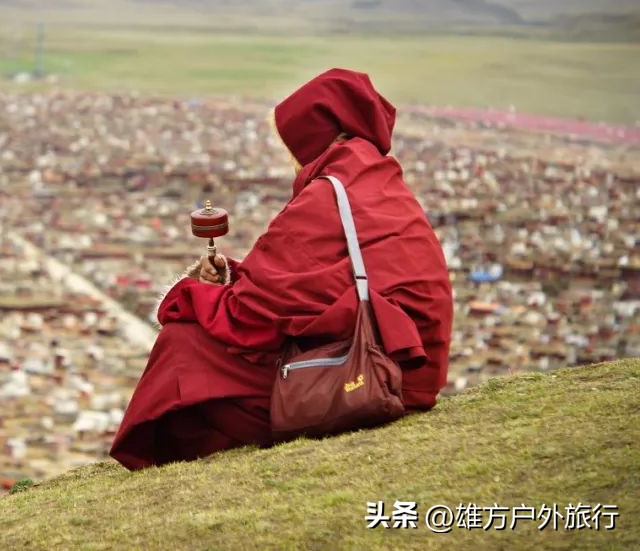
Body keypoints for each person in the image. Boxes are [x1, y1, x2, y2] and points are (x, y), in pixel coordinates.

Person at [109, 68, 454, 471]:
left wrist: (189, 294)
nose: (290, 157)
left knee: (184, 344)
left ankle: (172, 460)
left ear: (312, 134)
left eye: (291, 142)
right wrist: (229, 280)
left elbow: (252, 311)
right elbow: (314, 287)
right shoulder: (379, 181)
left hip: (373, 379)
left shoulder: (328, 193)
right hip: (412, 371)